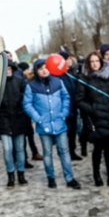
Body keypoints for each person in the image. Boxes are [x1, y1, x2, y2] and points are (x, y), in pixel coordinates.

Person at [23, 59, 81, 189]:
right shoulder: (31, 86)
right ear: (36, 71)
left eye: (46, 67)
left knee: (64, 151)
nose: (44, 70)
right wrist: (38, 118)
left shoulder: (58, 82)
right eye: (40, 68)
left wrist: (64, 112)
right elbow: (27, 104)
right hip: (44, 126)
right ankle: (51, 177)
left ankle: (70, 178)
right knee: (47, 153)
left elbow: (66, 97)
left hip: (60, 123)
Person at [76, 52, 109, 188]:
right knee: (98, 148)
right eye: (92, 61)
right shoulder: (84, 78)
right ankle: (96, 174)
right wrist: (93, 109)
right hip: (94, 119)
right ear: (88, 64)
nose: (95, 63)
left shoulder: (108, 77)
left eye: (97, 61)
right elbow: (79, 100)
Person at [0, 61, 29, 189]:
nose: (7, 70)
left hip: (18, 118)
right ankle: (10, 174)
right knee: (7, 149)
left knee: (20, 148)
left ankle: (21, 173)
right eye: (5, 68)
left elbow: (26, 98)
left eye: (9, 68)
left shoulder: (19, 81)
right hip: (4, 120)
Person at [58, 52, 83, 161]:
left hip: (73, 107)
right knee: (66, 132)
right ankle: (64, 152)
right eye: (66, 59)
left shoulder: (69, 74)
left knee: (73, 131)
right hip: (63, 109)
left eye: (69, 58)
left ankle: (72, 151)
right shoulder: (57, 76)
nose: (68, 61)